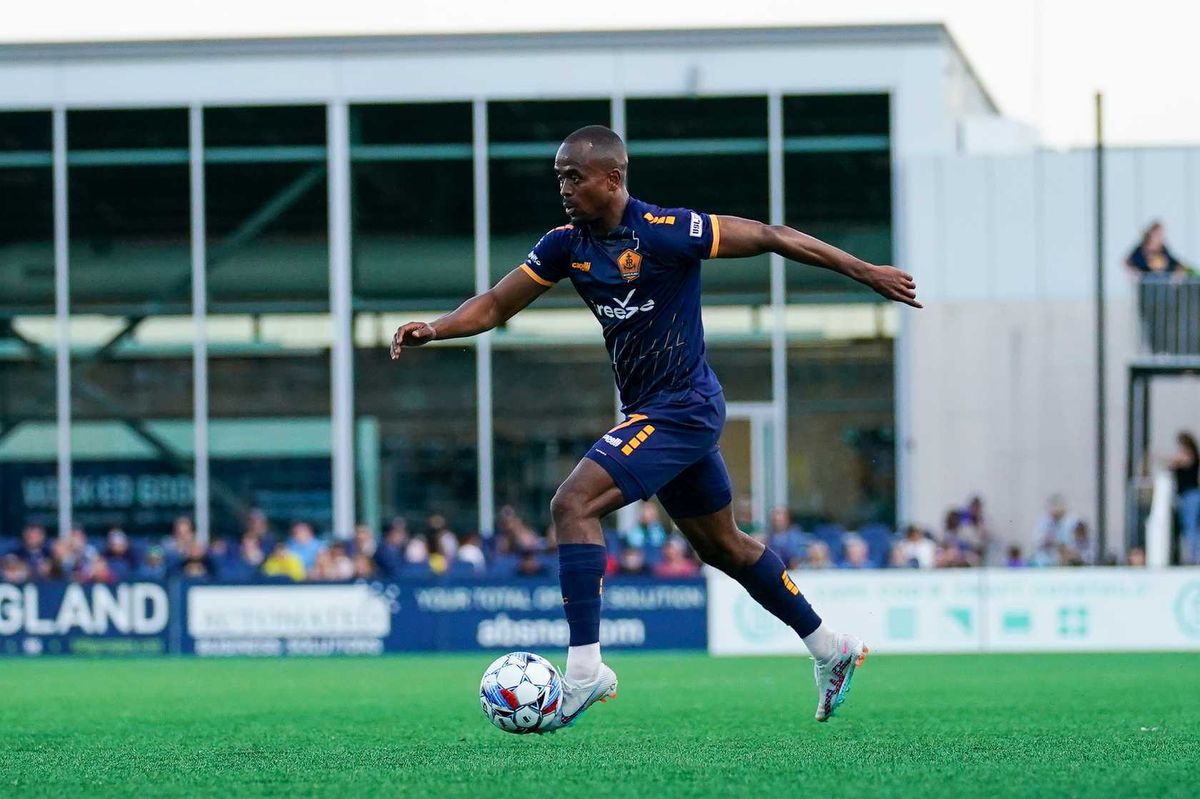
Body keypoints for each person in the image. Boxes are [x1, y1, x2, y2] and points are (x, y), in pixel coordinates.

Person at [389, 125, 919, 728]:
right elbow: (492, 306)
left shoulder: (669, 232)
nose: (563, 188)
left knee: (572, 506)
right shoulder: (565, 246)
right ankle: (832, 648)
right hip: (652, 414)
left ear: (612, 179)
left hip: (683, 408)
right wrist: (435, 326)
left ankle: (586, 673)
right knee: (724, 547)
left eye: (574, 176)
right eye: (559, 176)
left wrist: (865, 271)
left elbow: (771, 236)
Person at [1171, 432, 1200, 565]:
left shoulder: (1189, 455)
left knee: (1191, 527)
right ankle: (1194, 555)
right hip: (1187, 495)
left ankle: (1194, 557)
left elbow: (1178, 461)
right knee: (1191, 527)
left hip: (1190, 495)